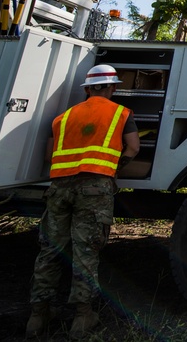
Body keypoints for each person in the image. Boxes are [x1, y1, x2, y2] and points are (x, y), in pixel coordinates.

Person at [26, 64, 140, 338]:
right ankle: (82, 316)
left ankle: (38, 316)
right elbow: (133, 147)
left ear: (87, 89)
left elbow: (48, 156)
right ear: (113, 88)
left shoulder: (62, 118)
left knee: (51, 250)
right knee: (85, 251)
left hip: (60, 187)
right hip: (95, 188)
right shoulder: (121, 114)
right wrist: (112, 167)